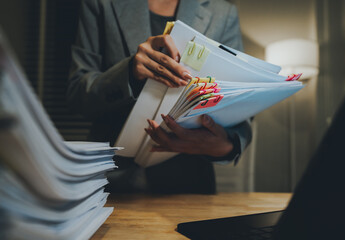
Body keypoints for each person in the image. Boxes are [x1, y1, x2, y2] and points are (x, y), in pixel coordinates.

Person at [68, 0, 252, 194]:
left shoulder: (222, 13)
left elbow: (237, 99)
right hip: (111, 181)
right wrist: (129, 73)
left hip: (190, 186)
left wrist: (227, 146)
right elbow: (77, 96)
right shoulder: (101, 4)